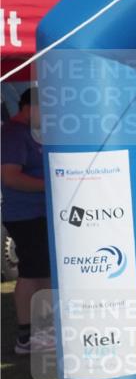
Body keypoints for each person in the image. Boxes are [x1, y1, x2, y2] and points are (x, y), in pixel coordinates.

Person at [1, 89, 55, 355]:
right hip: (26, 215)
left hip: (38, 214)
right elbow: (10, 177)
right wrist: (50, 186)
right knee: (32, 275)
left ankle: (43, 332)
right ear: (29, 107)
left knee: (43, 273)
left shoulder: (30, 133)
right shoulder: (13, 134)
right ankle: (26, 338)